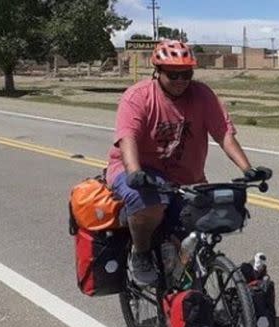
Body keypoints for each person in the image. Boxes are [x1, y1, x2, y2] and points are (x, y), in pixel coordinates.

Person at [105, 39, 270, 286]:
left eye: (187, 73)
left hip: (184, 177)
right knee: (147, 201)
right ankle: (140, 254)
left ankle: (192, 296)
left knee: (203, 227)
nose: (181, 80)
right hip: (137, 171)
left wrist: (247, 169)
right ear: (157, 71)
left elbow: (224, 133)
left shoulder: (202, 95)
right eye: (173, 74)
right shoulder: (138, 97)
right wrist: (135, 172)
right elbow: (127, 137)